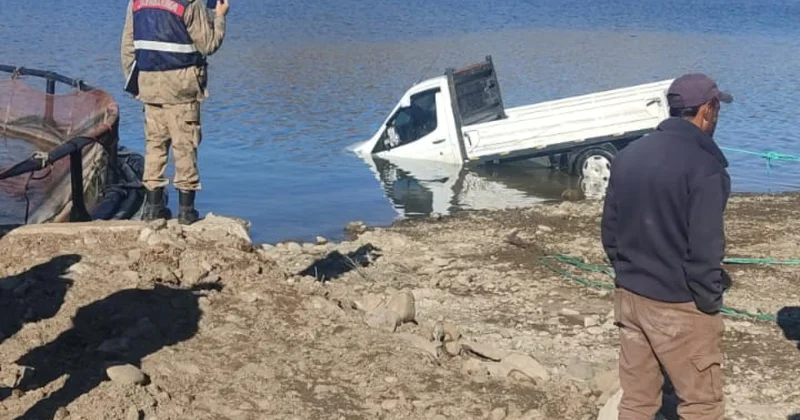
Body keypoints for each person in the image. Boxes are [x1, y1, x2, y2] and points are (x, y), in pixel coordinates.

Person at [600, 73, 734, 420]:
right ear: (707, 110)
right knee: (702, 405)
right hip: (678, 304)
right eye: (716, 109)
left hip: (630, 295)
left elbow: (610, 231)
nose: (717, 117)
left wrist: (626, 273)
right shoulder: (705, 167)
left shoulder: (630, 155)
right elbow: (706, 248)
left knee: (637, 401)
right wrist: (708, 302)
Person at [120, 0, 230, 224]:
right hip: (181, 84)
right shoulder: (190, 3)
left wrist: (134, 84)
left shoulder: (137, 3)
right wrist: (219, 16)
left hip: (149, 82)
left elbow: (127, 47)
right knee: (185, 144)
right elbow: (208, 44)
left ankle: (153, 208)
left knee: (155, 144)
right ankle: (186, 212)